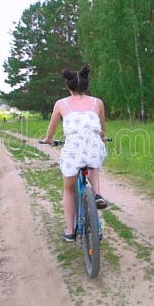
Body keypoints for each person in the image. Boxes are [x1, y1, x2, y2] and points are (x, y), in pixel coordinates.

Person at [42, 66, 109, 242]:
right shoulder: (98, 102)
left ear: (68, 87)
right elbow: (102, 127)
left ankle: (70, 230)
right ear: (87, 85)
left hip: (73, 149)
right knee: (93, 164)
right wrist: (103, 137)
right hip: (94, 146)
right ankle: (97, 194)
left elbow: (52, 129)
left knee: (68, 189)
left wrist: (49, 139)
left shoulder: (61, 104)